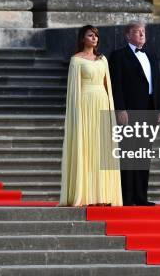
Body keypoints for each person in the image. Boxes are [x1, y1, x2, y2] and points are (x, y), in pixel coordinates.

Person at [60, 25, 122, 207]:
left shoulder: (102, 60)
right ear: (82, 39)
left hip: (102, 102)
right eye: (90, 35)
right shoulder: (76, 61)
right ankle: (86, 195)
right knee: (87, 148)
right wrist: (76, 116)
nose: (94, 38)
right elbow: (73, 91)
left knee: (101, 149)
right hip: (85, 106)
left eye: (96, 35)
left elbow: (107, 85)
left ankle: (103, 194)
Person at [109, 22, 160, 206]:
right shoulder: (118, 56)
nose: (141, 34)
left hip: (149, 110)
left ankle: (141, 197)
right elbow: (116, 85)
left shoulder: (151, 54)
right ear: (127, 35)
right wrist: (120, 109)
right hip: (129, 111)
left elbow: (157, 83)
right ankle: (126, 197)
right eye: (137, 32)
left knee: (143, 154)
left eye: (143, 31)